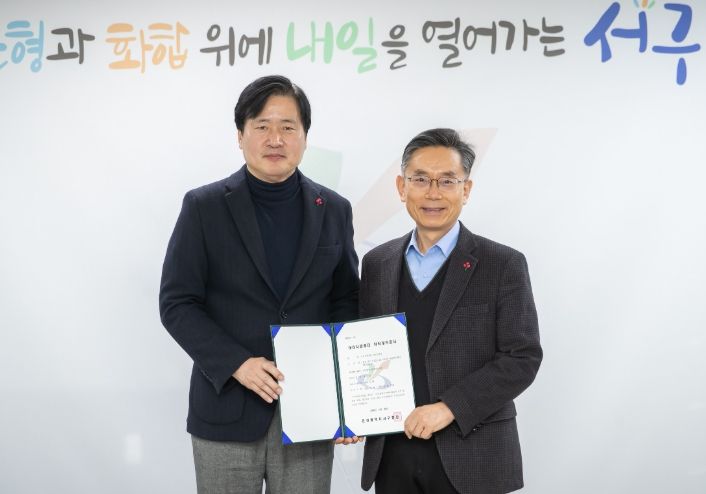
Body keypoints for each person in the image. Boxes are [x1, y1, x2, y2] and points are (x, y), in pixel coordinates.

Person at [159, 75, 359, 494]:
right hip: (226, 411)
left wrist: (346, 400)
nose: (275, 139)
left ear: (305, 137)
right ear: (240, 135)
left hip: (309, 415)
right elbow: (178, 303)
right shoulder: (203, 207)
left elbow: (345, 303)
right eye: (262, 126)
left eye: (288, 127)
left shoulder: (334, 209)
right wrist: (237, 363)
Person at [359, 128, 542, 494]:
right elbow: (363, 350)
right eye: (420, 180)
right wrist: (350, 413)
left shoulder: (502, 264)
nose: (433, 193)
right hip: (393, 455)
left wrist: (448, 408)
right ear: (401, 187)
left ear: (466, 190)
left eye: (447, 181)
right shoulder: (377, 263)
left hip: (473, 455)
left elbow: (522, 358)